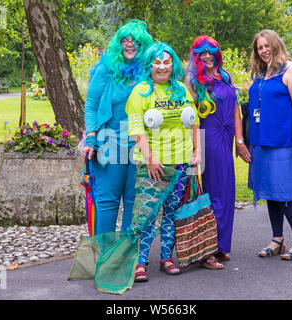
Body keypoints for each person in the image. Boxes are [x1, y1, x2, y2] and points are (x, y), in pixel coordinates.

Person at [125, 42, 202, 281]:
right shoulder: (140, 92)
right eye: (157, 63)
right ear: (150, 65)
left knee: (171, 212)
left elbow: (194, 122)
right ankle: (140, 262)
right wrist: (149, 158)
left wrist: (197, 151)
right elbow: (137, 129)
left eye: (166, 62)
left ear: (173, 65)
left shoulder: (181, 90)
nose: (161, 67)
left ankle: (167, 258)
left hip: (179, 164)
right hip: (152, 166)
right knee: (147, 214)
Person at [184, 36, 250, 268]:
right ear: (196, 56)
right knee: (209, 193)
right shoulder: (193, 81)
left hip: (226, 136)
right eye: (201, 53)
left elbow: (235, 111)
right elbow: (189, 117)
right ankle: (207, 252)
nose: (206, 56)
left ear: (216, 53)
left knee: (225, 191)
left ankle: (221, 245)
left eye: (210, 51)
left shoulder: (226, 76)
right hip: (207, 138)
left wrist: (240, 141)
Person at [82, 20, 153, 234]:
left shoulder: (149, 71)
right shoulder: (107, 68)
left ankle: (127, 260)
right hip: (110, 143)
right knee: (107, 204)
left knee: (134, 205)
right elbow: (92, 105)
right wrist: (91, 138)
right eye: (125, 40)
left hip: (140, 146)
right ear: (119, 43)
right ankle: (105, 260)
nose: (130, 45)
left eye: (135, 41)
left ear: (144, 45)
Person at [247, 30, 292, 260]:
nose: (263, 50)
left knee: (284, 193)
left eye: (266, 46)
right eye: (259, 47)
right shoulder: (259, 74)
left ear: (275, 45)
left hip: (283, 144)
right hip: (261, 143)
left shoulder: (291, 71)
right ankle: (277, 240)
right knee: (270, 193)